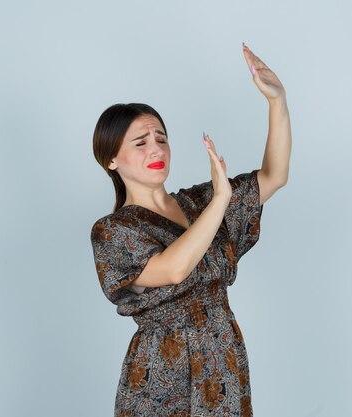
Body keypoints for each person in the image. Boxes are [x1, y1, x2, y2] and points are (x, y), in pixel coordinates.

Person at [90, 42, 291, 416]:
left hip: (223, 360)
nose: (157, 149)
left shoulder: (197, 202)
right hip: (161, 374)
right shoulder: (113, 232)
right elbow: (174, 268)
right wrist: (220, 201)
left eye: (162, 139)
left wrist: (277, 102)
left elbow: (274, 176)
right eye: (141, 142)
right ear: (112, 159)